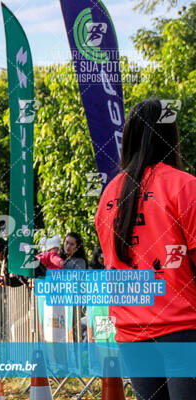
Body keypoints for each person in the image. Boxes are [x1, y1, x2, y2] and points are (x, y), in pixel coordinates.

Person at [95, 98, 196, 400]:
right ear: (171, 137)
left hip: (131, 331)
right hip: (183, 328)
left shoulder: (109, 196)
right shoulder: (184, 185)